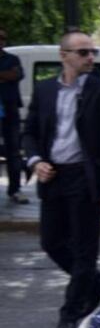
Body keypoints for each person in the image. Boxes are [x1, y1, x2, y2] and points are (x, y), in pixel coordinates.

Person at [22, 31, 100, 328]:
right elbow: (29, 133)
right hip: (54, 176)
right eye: (83, 52)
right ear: (63, 55)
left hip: (86, 178)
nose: (90, 57)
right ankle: (96, 284)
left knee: (84, 250)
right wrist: (35, 161)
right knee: (51, 242)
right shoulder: (44, 90)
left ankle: (70, 313)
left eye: (92, 52)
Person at [0, 27, 29, 203]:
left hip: (9, 108)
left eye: (3, 38)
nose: (0, 41)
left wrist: (7, 76)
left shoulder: (12, 58)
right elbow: (10, 75)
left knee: (14, 150)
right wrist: (5, 76)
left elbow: (16, 74)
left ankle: (15, 189)